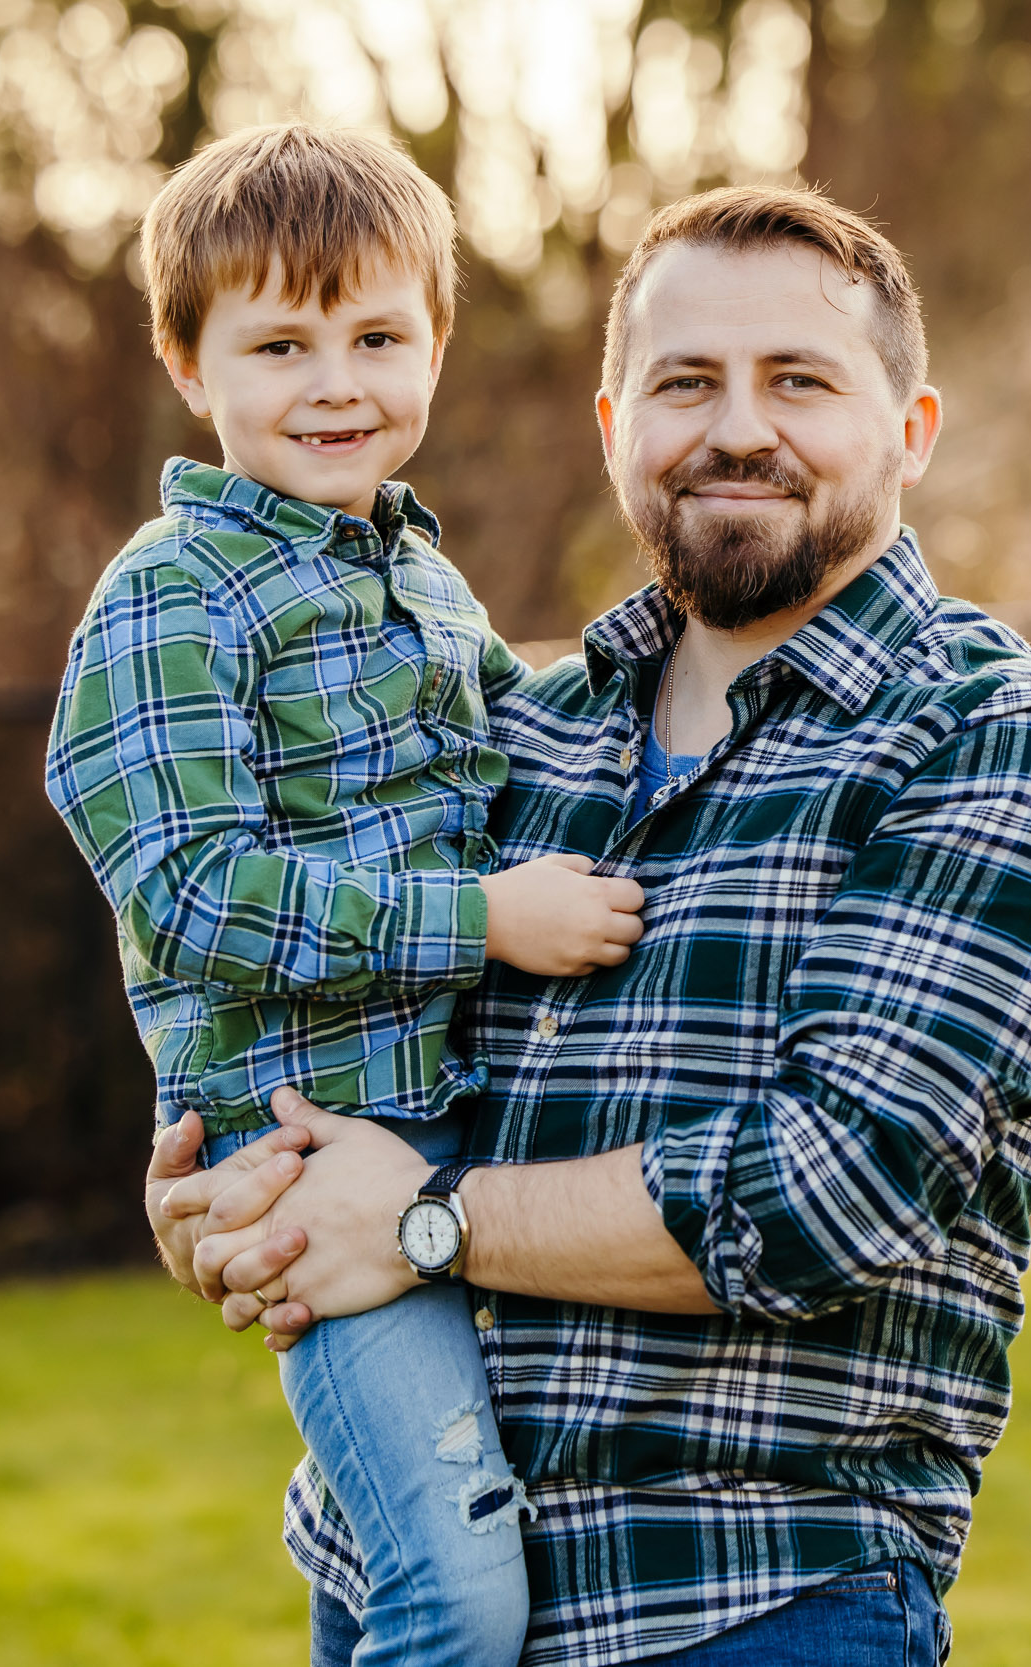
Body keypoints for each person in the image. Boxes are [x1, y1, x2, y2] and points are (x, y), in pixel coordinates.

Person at [152, 186, 1031, 1667]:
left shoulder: (1003, 744)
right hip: (396, 1588)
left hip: (749, 1604)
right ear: (617, 424)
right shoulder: (509, 739)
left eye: (799, 381)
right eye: (688, 384)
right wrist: (247, 1192)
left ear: (912, 429)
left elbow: (824, 1192)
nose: (737, 429)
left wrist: (422, 1226)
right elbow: (347, 1038)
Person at [45, 121, 647, 1667]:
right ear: (191, 364)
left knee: (413, 1565)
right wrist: (482, 919)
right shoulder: (171, 595)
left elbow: (517, 762)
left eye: (378, 336)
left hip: (457, 1128)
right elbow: (186, 893)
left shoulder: (425, 583)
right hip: (306, 1146)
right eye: (280, 342)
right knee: (459, 1598)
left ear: (436, 344)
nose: (336, 382)